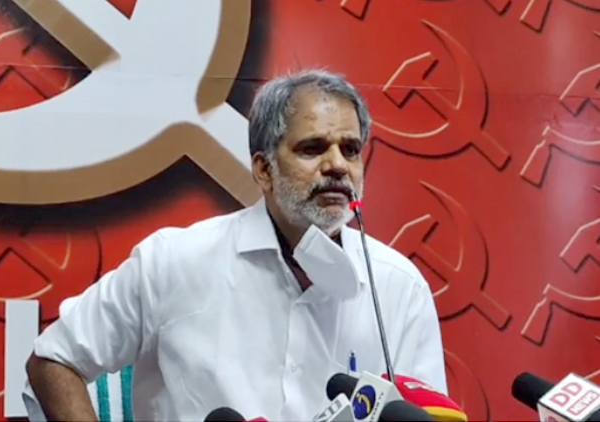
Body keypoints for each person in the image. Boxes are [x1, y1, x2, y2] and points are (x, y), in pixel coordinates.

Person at [22, 69, 447, 422]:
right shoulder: (174, 261)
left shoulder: (399, 287)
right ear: (263, 169)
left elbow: (428, 413)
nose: (337, 165)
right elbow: (54, 360)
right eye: (313, 148)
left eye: (350, 150)